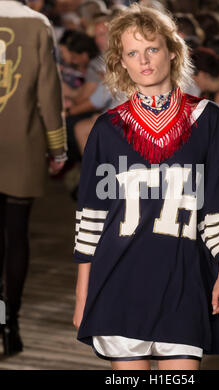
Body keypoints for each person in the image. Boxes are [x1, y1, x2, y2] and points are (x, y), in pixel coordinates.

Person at [72, 3, 219, 370]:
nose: (144, 61)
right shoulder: (107, 128)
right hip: (118, 282)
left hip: (186, 279)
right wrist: (83, 298)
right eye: (132, 53)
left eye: (152, 49)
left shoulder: (207, 119)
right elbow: (91, 220)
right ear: (121, 62)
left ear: (172, 52)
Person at [0, 0, 67, 355]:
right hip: (21, 145)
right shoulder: (37, 25)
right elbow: (48, 92)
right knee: (15, 238)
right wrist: (58, 148)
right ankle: (10, 325)